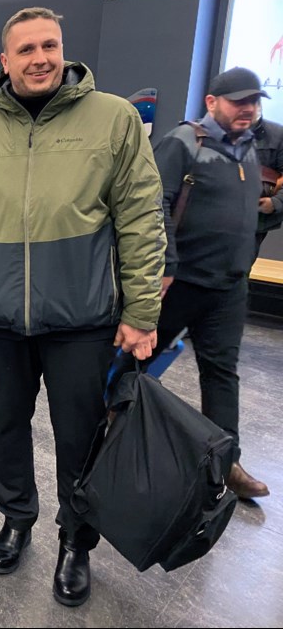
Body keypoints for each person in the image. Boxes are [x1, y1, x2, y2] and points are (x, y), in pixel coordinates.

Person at [0, 7, 166, 607]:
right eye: (27, 49)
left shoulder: (112, 120)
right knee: (6, 427)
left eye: (50, 45)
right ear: (5, 62)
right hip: (2, 318)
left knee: (79, 438)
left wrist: (140, 313)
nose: (41, 58)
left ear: (64, 51)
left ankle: (76, 541)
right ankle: (16, 520)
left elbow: (142, 218)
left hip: (83, 320)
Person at [152, 66, 270, 499]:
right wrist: (165, 264)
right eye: (239, 101)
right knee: (134, 362)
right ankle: (108, 435)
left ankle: (227, 463)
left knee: (222, 375)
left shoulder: (250, 147)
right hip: (179, 283)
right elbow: (155, 203)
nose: (248, 109)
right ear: (211, 103)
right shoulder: (184, 142)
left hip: (229, 288)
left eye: (254, 102)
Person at [253, 108, 283, 259]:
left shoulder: (277, 135)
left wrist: (275, 202)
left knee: (236, 274)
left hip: (254, 220)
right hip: (212, 217)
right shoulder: (209, 133)